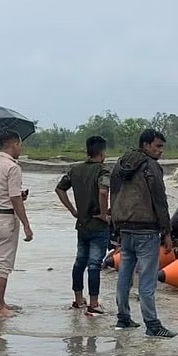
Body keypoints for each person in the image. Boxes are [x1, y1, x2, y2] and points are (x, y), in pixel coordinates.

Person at [110, 129, 176, 337]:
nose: (160, 151)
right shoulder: (151, 166)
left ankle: (123, 318)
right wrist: (167, 231)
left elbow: (114, 192)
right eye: (157, 146)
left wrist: (115, 224)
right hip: (146, 229)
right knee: (147, 280)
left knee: (125, 276)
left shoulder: (121, 163)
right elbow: (159, 200)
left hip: (125, 227)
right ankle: (152, 324)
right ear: (146, 145)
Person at [55, 135, 111, 315]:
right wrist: (104, 214)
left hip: (82, 224)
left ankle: (78, 300)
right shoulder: (103, 171)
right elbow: (103, 192)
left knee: (80, 262)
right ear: (102, 153)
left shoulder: (75, 169)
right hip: (98, 225)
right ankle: (93, 304)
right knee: (94, 264)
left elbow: (59, 189)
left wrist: (73, 210)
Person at [0, 131, 33, 318]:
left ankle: (0, 302)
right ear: (14, 145)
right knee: (3, 263)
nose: (21, 148)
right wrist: (26, 224)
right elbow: (14, 197)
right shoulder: (13, 167)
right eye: (20, 145)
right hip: (6, 217)